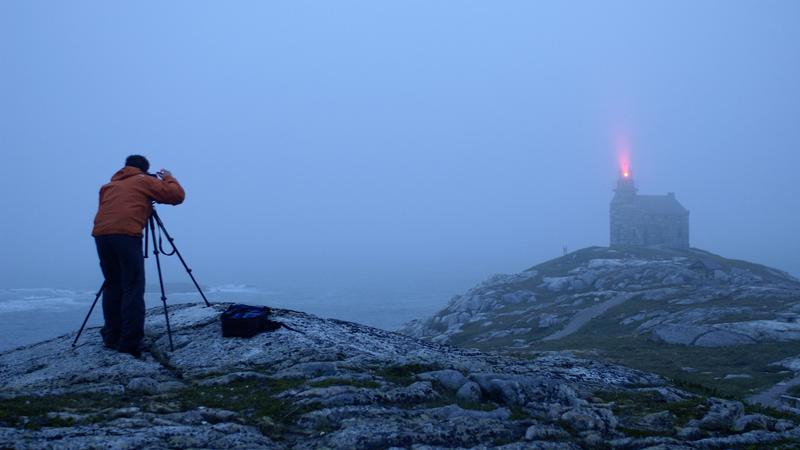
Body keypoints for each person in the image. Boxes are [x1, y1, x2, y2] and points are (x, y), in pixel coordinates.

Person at [92, 155, 185, 358]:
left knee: (112, 284)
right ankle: (130, 342)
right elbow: (176, 196)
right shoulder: (143, 180)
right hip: (126, 236)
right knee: (133, 287)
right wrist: (168, 178)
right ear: (144, 169)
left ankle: (111, 336)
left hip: (101, 236)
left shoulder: (108, 186)